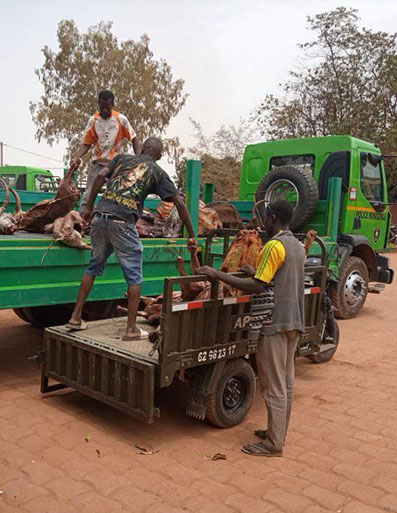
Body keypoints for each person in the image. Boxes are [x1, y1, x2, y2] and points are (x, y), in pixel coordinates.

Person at [197, 200, 305, 457]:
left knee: (273, 386)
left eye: (265, 218)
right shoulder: (297, 246)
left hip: (273, 322)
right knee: (286, 383)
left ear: (274, 218)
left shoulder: (273, 246)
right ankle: (275, 432)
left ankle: (273, 444)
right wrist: (254, 270)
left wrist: (218, 275)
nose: (261, 223)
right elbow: (279, 275)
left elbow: (257, 287)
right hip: (294, 321)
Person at [66, 137, 197, 341]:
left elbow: (100, 175)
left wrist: (90, 207)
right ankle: (131, 329)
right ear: (160, 156)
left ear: (142, 149)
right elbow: (179, 203)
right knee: (134, 276)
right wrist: (192, 234)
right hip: (123, 223)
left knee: (93, 267)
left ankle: (75, 317)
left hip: (100, 217)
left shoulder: (121, 158)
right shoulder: (158, 172)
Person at [70, 90, 141, 212]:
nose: (104, 110)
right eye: (101, 107)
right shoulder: (93, 121)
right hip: (97, 164)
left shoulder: (121, 119)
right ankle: (82, 221)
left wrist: (140, 160)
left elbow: (134, 139)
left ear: (112, 105)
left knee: (116, 196)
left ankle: (113, 222)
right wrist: (76, 157)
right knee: (88, 195)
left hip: (116, 165)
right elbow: (86, 144)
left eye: (107, 107)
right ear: (98, 104)